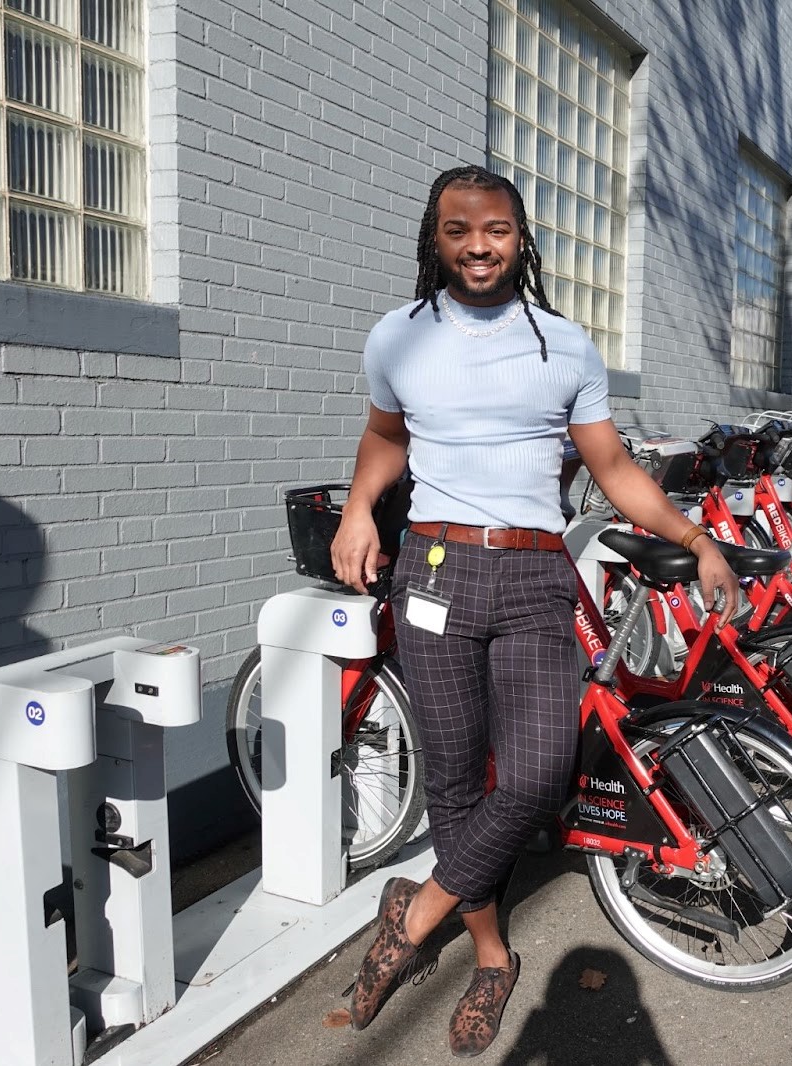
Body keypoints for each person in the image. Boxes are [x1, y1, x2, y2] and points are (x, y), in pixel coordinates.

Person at [329, 165, 740, 1057]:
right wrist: (361, 508)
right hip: (433, 573)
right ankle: (490, 956)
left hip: (533, 578)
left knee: (537, 773)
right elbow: (384, 436)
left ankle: (419, 914)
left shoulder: (563, 344)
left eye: (496, 229)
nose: (478, 245)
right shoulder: (398, 337)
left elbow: (615, 467)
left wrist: (700, 538)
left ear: (522, 238)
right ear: (434, 239)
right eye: (458, 230)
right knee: (451, 786)